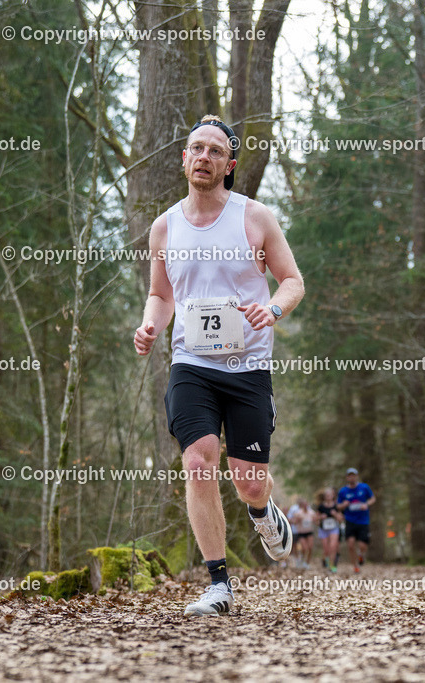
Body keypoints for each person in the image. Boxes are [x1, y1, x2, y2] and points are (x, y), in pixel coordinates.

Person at [133, 115, 305, 616]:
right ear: (183, 159)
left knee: (248, 479)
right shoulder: (164, 227)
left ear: (229, 165)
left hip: (248, 366)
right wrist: (150, 326)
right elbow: (160, 294)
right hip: (192, 364)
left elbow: (292, 280)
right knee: (197, 462)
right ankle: (218, 584)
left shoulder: (255, 218)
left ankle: (262, 508)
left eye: (214, 151)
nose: (204, 157)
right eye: (196, 149)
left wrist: (271, 309)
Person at [337, 467, 375, 573]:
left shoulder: (364, 487)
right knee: (350, 544)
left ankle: (361, 555)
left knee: (363, 545)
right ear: (347, 477)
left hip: (363, 520)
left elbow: (372, 499)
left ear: (357, 476)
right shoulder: (343, 491)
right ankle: (355, 566)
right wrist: (343, 505)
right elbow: (338, 506)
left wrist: (366, 504)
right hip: (350, 520)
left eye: (353, 475)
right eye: (349, 475)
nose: (351, 477)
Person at [316, 488, 342, 572]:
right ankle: (325, 559)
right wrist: (320, 517)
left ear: (333, 496)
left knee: (333, 547)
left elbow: (341, 519)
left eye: (330, 495)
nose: (328, 497)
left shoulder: (336, 506)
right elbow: (315, 519)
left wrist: (335, 514)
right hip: (323, 529)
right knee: (326, 549)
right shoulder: (321, 506)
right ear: (324, 497)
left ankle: (332, 566)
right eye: (326, 495)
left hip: (334, 528)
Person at [287, 497, 317, 568]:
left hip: (309, 532)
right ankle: (302, 560)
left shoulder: (311, 512)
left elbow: (316, 521)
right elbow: (294, 522)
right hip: (301, 533)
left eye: (306, 504)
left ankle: (307, 562)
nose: (305, 506)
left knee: (310, 547)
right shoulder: (298, 513)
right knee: (304, 548)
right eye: (304, 505)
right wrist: (297, 520)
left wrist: (316, 519)